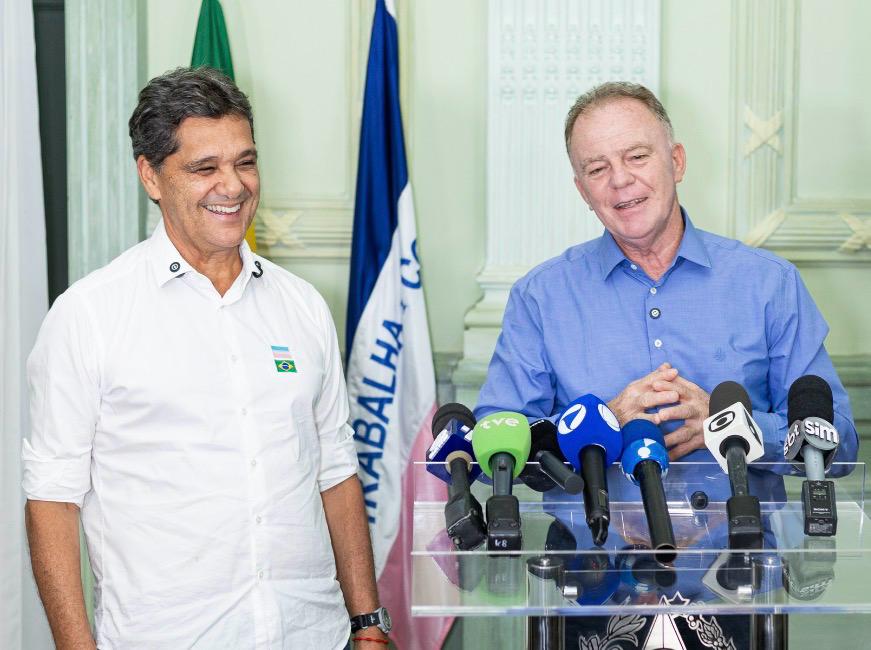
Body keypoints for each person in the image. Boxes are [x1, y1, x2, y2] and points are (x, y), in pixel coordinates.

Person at [475, 81, 858, 649]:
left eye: (636, 156)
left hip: (738, 585)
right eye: (597, 168)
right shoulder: (541, 298)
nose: (620, 180)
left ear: (675, 161)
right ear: (582, 189)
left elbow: (840, 443)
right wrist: (603, 420)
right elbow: (492, 451)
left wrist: (736, 428)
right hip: (591, 587)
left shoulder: (768, 285)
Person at [23, 67, 390, 649]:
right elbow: (52, 499)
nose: (234, 186)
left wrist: (368, 623)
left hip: (311, 634)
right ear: (150, 175)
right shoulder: (88, 316)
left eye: (245, 162)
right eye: (205, 168)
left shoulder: (303, 307)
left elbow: (335, 470)